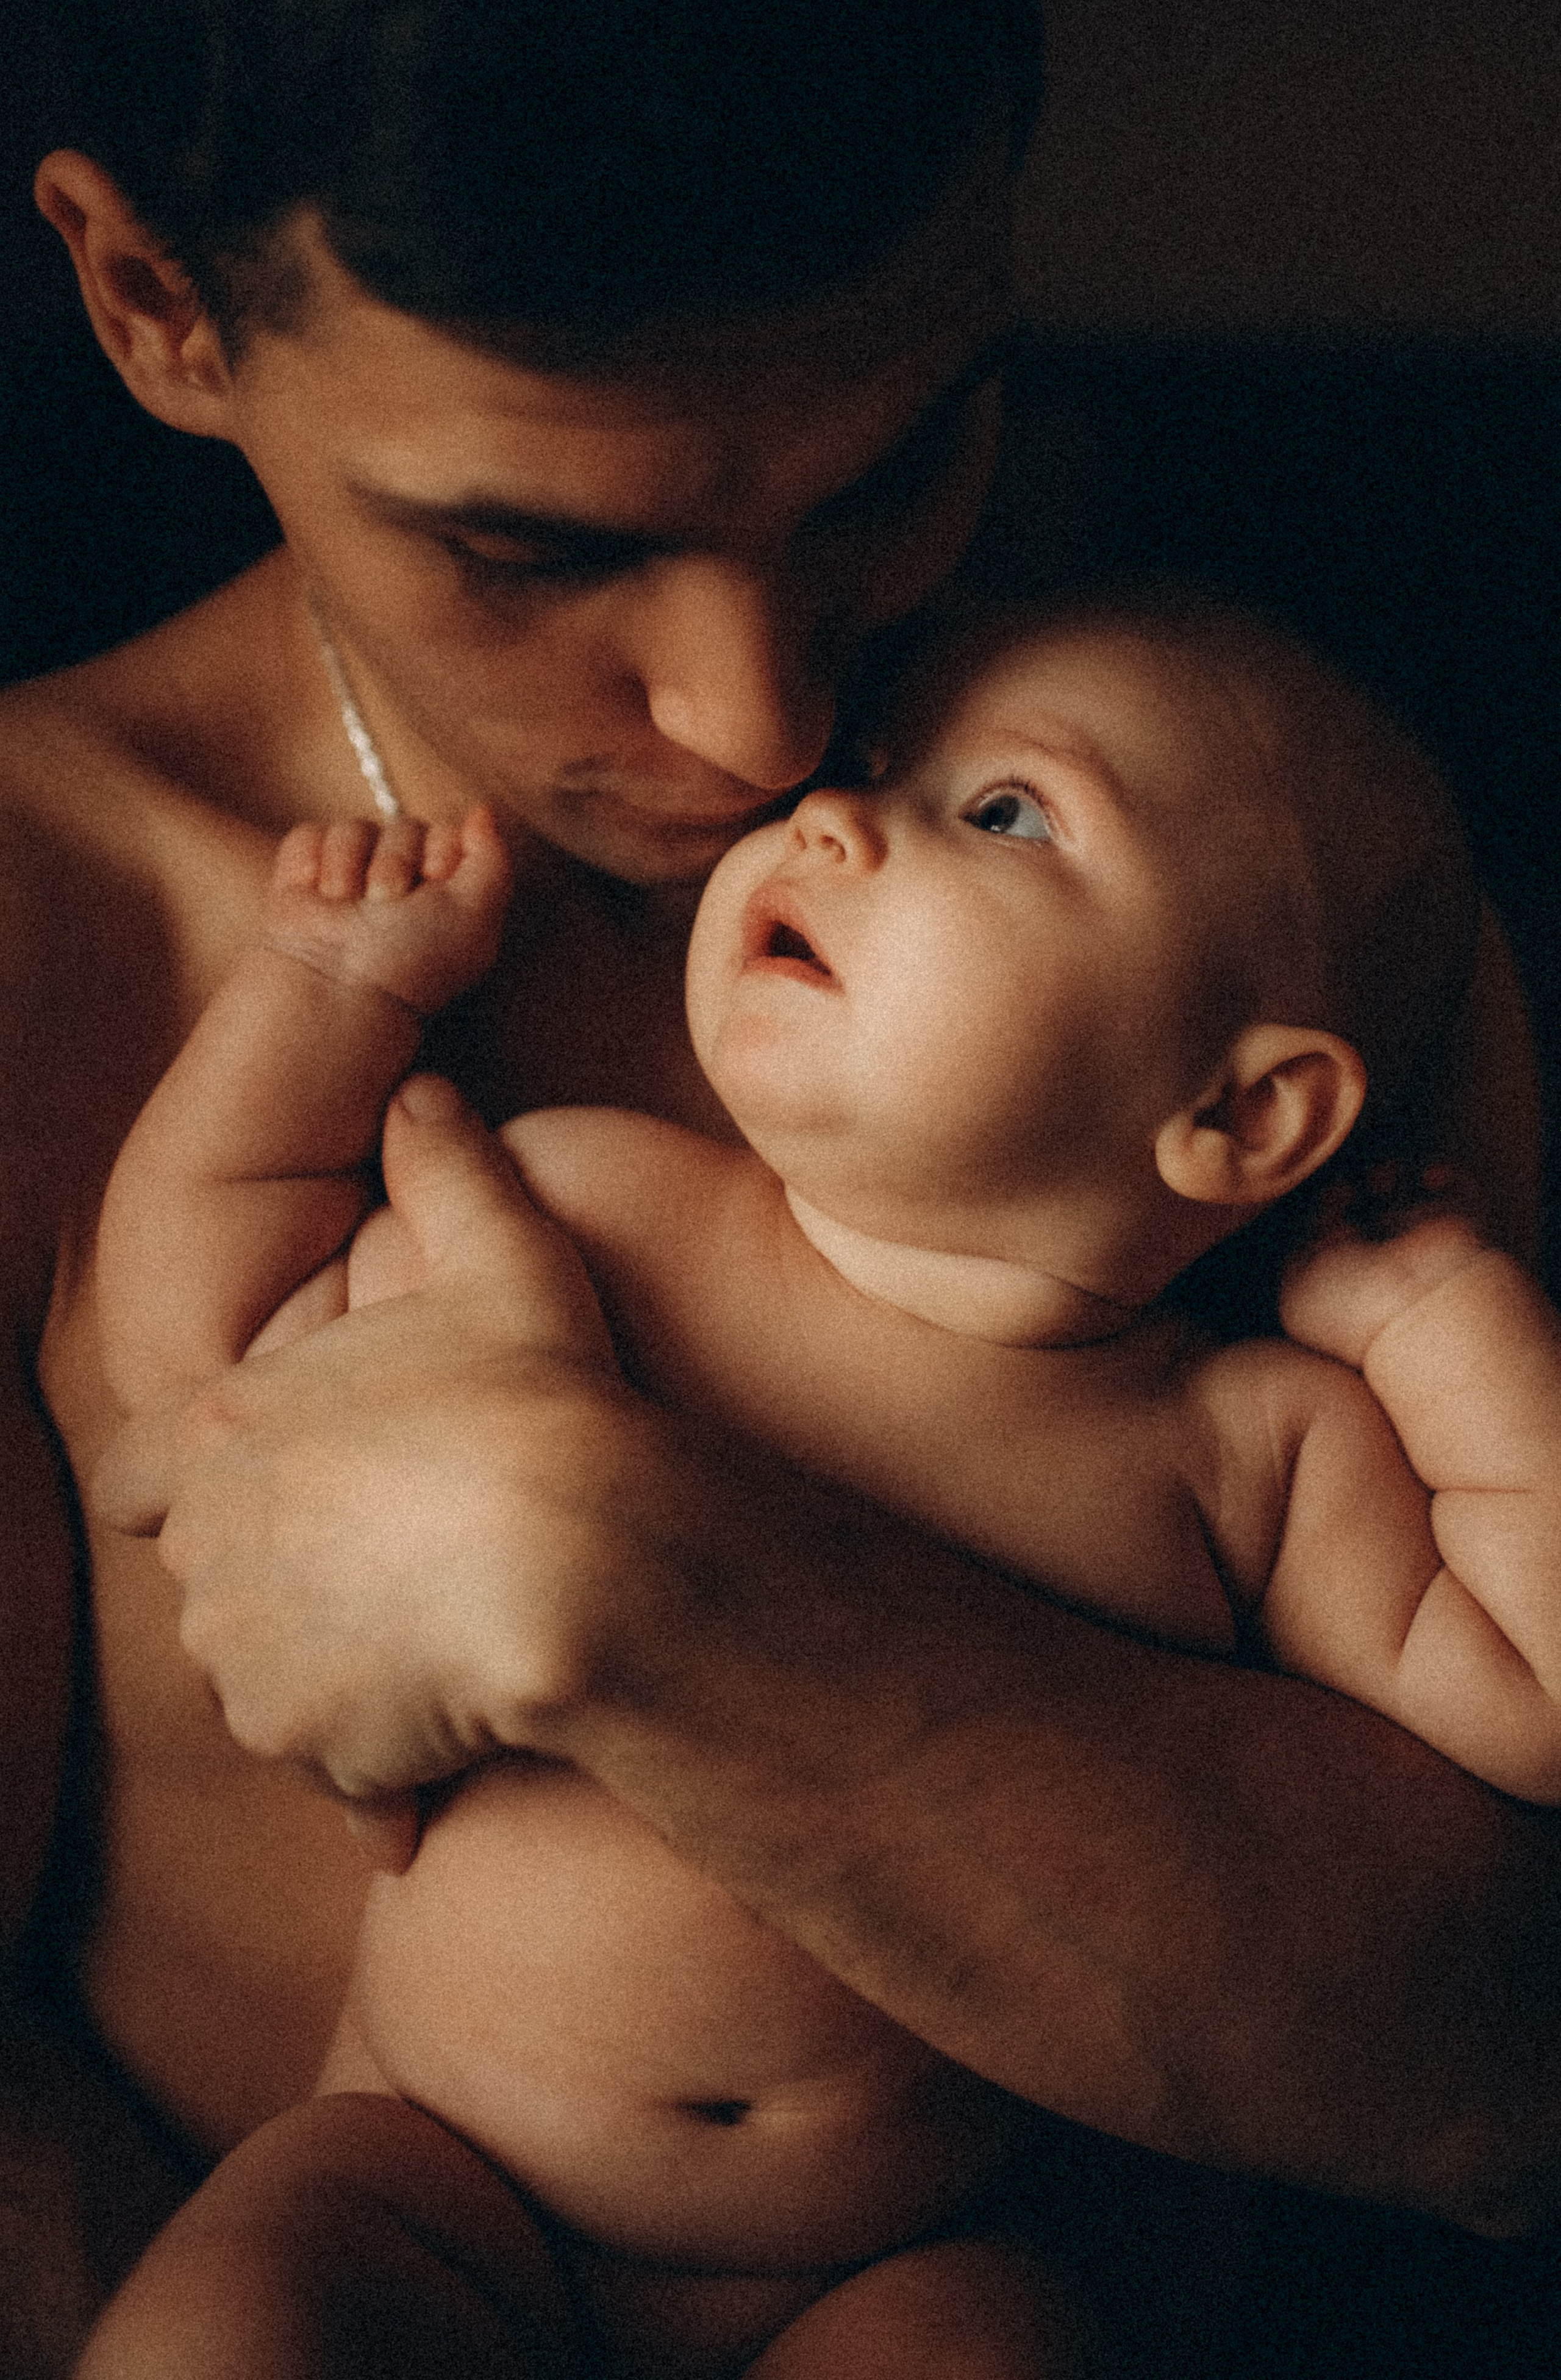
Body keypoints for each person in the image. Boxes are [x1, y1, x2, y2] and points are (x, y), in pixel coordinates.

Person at [1, 1, 1557, 2368]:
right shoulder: (49, 956)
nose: (753, 726)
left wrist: (618, 1564)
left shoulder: (1252, 880)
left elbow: (1505, 2069)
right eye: (526, 546)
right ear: (152, 308)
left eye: (892, 464)